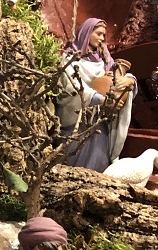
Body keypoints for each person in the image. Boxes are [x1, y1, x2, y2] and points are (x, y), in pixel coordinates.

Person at [57, 18, 135, 173]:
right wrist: (100, 99)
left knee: (98, 162)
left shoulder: (105, 60)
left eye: (103, 35)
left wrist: (129, 80)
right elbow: (72, 86)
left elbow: (117, 77)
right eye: (98, 34)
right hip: (76, 121)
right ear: (87, 33)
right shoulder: (69, 59)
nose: (101, 38)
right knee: (75, 162)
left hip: (98, 123)